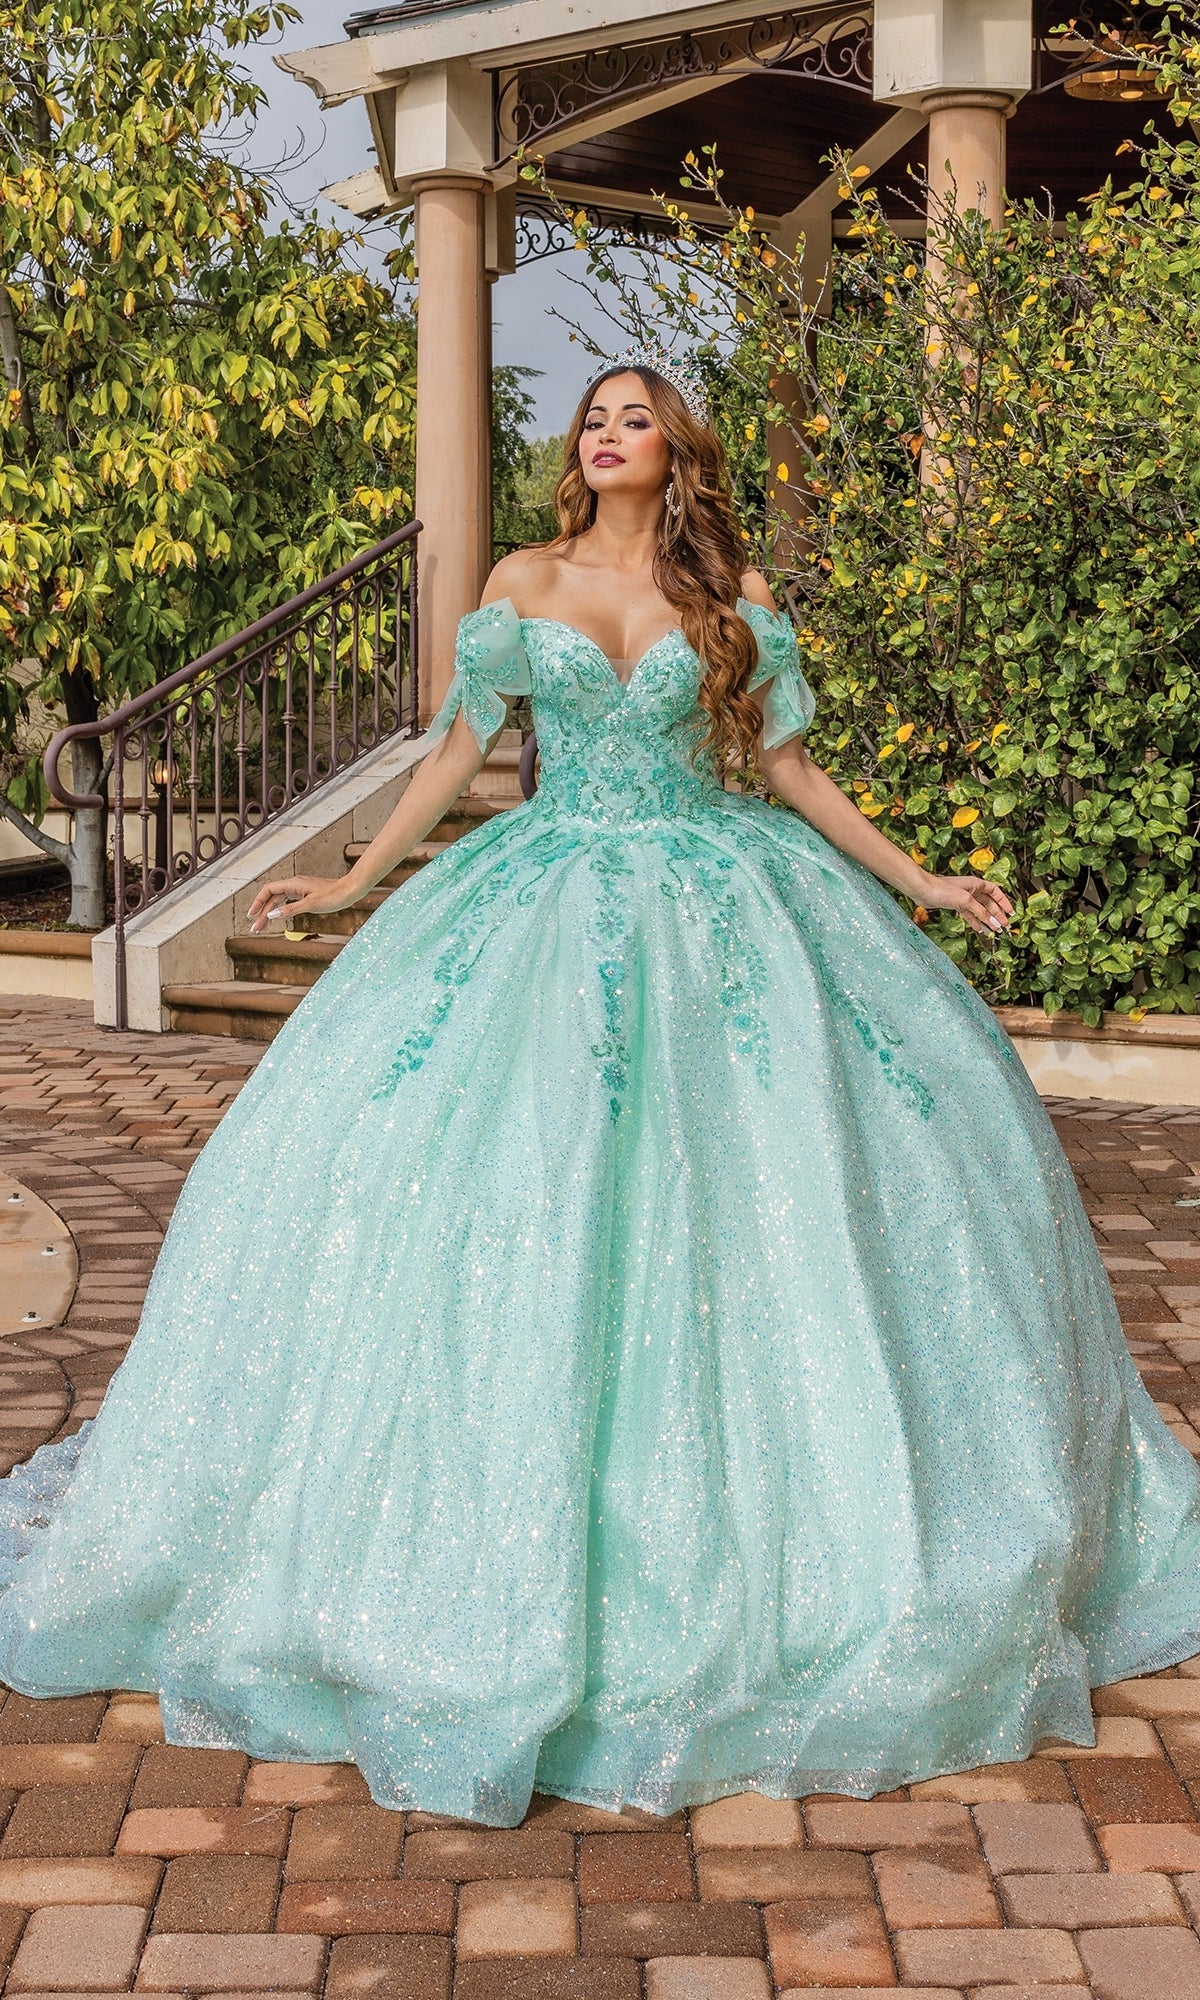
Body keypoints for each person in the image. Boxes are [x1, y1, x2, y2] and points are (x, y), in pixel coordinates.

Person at [1, 346, 1199, 1829]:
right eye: (594, 416)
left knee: (768, 1192)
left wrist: (922, 882)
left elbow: (792, 772)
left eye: (637, 415)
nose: (610, 431)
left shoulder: (733, 608)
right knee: (518, 1184)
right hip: (549, 902)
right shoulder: (519, 576)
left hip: (728, 906)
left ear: (675, 448)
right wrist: (356, 882)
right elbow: (461, 751)